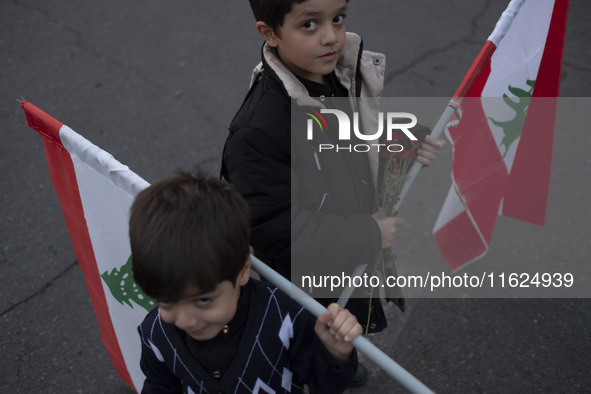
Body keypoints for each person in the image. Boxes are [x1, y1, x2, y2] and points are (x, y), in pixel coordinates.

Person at [221, 0, 445, 385]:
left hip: (347, 269)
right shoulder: (258, 132)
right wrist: (367, 234)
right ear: (269, 33)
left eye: (338, 18)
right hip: (307, 288)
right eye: (310, 24)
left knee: (342, 342)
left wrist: (408, 144)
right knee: (312, 359)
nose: (332, 37)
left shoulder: (337, 77)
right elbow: (273, 228)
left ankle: (342, 365)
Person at [129, 170, 363, 393]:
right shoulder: (156, 333)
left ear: (242, 270)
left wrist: (336, 355)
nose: (186, 320)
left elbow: (324, 385)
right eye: (167, 301)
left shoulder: (286, 315)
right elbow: (160, 387)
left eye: (203, 300)